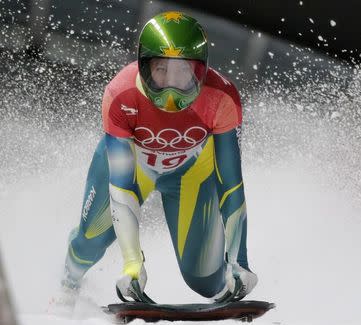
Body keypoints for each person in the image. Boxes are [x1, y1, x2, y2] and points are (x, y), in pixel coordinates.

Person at [62, 11, 258, 303]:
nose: (170, 85)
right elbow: (121, 186)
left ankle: (227, 280)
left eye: (183, 72)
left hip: (191, 174)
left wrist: (238, 261)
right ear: (144, 66)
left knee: (204, 281)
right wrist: (132, 265)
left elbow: (230, 183)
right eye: (161, 69)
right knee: (89, 242)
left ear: (200, 70)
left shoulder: (222, 98)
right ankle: (67, 286)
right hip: (133, 168)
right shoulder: (120, 94)